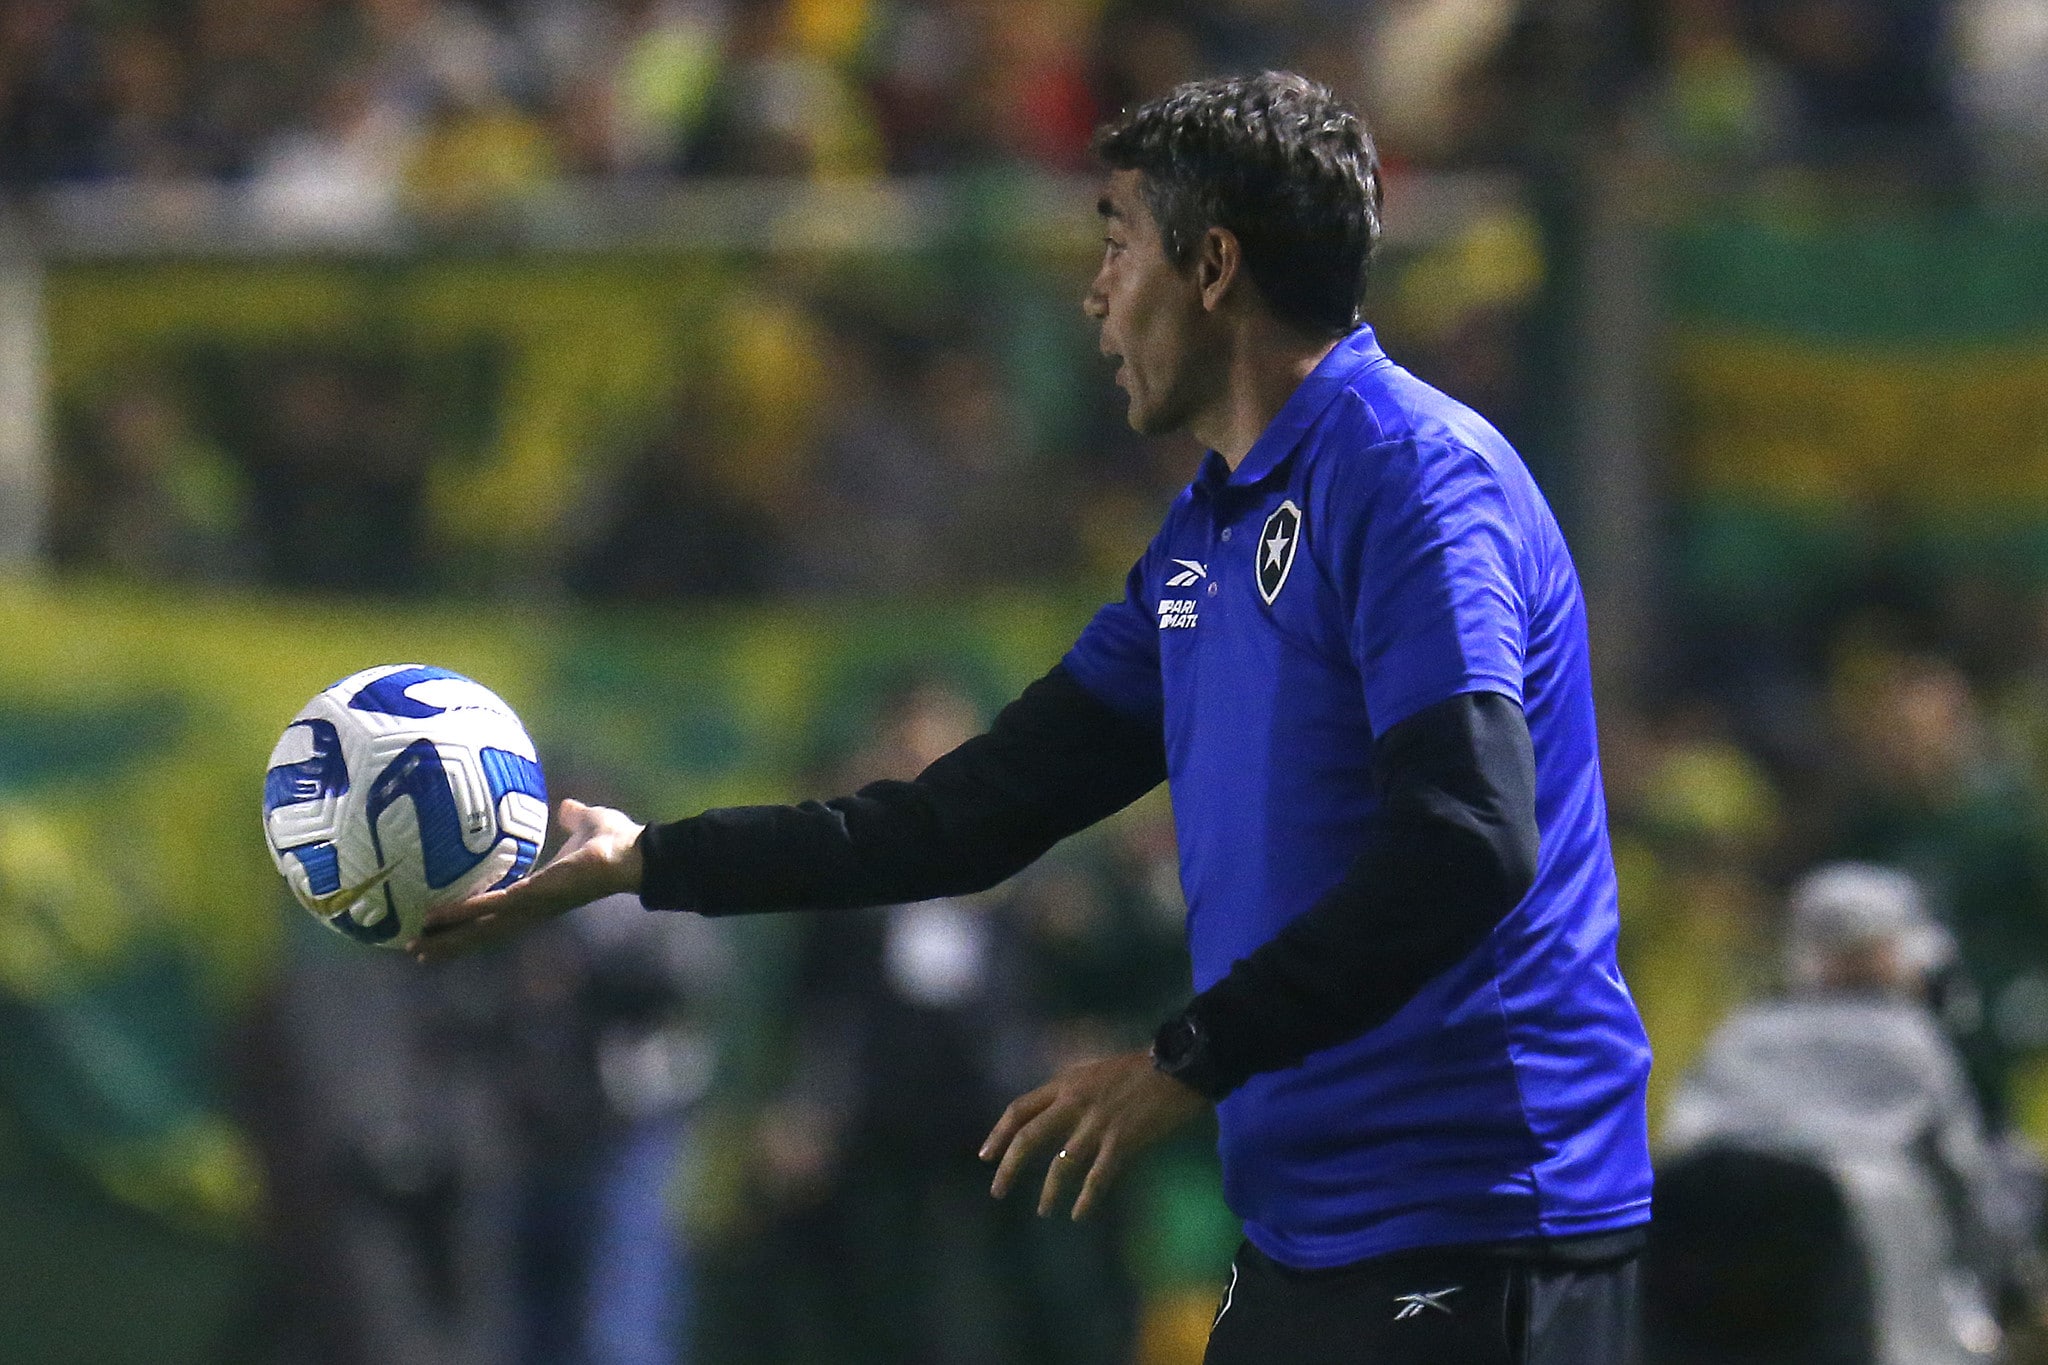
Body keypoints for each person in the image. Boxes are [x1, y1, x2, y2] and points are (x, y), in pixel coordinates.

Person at [415, 71, 1653, 1364]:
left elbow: (1468, 837)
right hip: (1316, 1224)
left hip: (1484, 1210)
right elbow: (958, 821)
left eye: (1117, 245)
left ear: (1212, 267)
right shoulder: (1204, 538)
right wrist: (646, 861)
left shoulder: (1413, 479)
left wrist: (1187, 1056)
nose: (1093, 294)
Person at [1655, 862, 2030, 1365]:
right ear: (1899, 953)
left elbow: (1679, 1142)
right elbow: (1964, 1179)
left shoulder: (1745, 1033)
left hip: (1700, 1288)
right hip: (1864, 1289)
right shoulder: (1911, 1040)